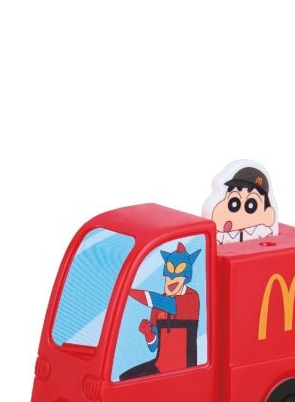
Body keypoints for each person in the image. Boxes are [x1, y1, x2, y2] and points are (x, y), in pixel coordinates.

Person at [119, 242, 201, 380]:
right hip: (161, 366)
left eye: (177, 276)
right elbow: (154, 346)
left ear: (185, 279)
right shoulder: (158, 308)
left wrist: (126, 290)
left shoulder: (191, 298)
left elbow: (159, 301)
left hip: (184, 368)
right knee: (125, 378)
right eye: (168, 276)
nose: (171, 280)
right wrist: (148, 333)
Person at [203, 161, 278, 244]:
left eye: (251, 206)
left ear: (267, 213)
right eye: (234, 204)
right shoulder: (222, 236)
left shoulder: (262, 231)